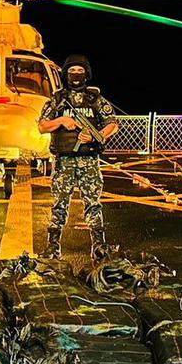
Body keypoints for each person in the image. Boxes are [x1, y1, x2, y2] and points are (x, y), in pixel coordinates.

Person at [37, 54, 119, 260]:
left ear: (86, 74)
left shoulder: (94, 99)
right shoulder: (57, 100)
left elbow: (112, 123)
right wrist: (61, 120)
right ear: (66, 74)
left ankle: (98, 245)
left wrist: (95, 135)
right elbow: (42, 126)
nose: (76, 75)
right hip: (64, 161)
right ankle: (53, 246)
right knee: (59, 203)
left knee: (93, 203)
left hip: (89, 160)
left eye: (80, 71)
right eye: (72, 71)